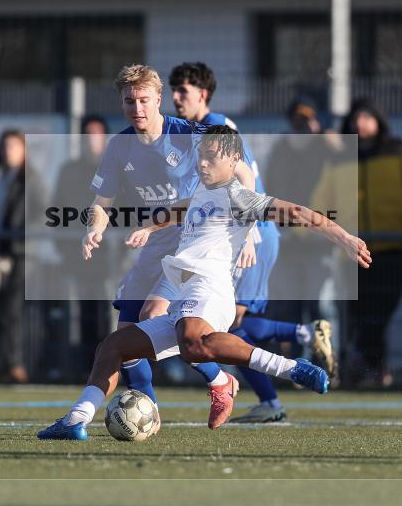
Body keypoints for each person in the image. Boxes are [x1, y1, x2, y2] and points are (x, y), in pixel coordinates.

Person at [37, 125, 371, 441]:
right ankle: (75, 421)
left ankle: (291, 368)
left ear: (233, 160)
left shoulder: (240, 198)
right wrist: (148, 228)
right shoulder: (201, 192)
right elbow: (179, 209)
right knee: (113, 348)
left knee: (192, 343)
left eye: (211, 156)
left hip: (210, 289)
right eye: (200, 156)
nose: (203, 162)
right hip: (185, 295)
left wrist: (343, 237)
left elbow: (296, 212)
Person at [139, 61, 334, 425]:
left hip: (245, 238)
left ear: (204, 94)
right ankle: (284, 364)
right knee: (217, 328)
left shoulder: (221, 128)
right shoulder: (187, 132)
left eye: (184, 92)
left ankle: (270, 392)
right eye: (175, 91)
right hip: (227, 236)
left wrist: (247, 233)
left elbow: (245, 177)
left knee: (224, 329)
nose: (177, 98)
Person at [76, 64, 256, 431]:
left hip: (195, 246)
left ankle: (220, 380)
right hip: (154, 244)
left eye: (144, 100)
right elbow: (102, 201)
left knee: (154, 316)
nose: (137, 108)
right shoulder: (119, 145)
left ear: (159, 99)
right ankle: (150, 413)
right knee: (125, 337)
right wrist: (92, 229)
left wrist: (248, 226)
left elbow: (243, 170)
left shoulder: (191, 134)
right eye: (129, 101)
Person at [324, 98, 402, 386]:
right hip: (353, 251)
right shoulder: (340, 157)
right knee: (361, 315)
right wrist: (327, 235)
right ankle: (374, 370)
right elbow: (324, 200)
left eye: (368, 117)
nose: (361, 123)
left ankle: (363, 361)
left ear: (379, 120)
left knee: (381, 311)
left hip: (394, 248)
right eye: (356, 117)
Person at [263, 99, 338, 360]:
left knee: (321, 309)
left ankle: (325, 363)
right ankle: (295, 366)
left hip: (319, 243)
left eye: (308, 119)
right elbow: (270, 190)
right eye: (298, 119)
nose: (303, 125)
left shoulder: (327, 150)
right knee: (288, 310)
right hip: (287, 244)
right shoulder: (281, 149)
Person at [50, 116, 114, 375]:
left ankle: (115, 368)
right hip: (79, 257)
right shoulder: (70, 171)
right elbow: (58, 211)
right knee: (81, 316)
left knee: (112, 317)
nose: (92, 140)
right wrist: (66, 249)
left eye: (97, 134)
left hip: (112, 259)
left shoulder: (116, 169)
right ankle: (85, 369)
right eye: (88, 134)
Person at [0, 129, 42, 383]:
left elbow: (42, 214)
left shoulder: (31, 179)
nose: (8, 152)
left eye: (14, 147)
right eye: (5, 147)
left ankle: (15, 364)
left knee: (12, 311)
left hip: (19, 254)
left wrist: (21, 233)